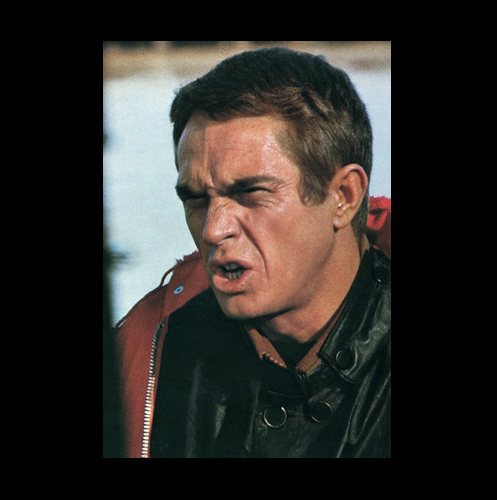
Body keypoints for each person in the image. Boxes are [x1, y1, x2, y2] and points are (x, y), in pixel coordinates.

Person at [114, 47, 391, 458]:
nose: (213, 230)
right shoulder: (149, 355)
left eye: (251, 192)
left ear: (344, 196)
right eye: (196, 199)